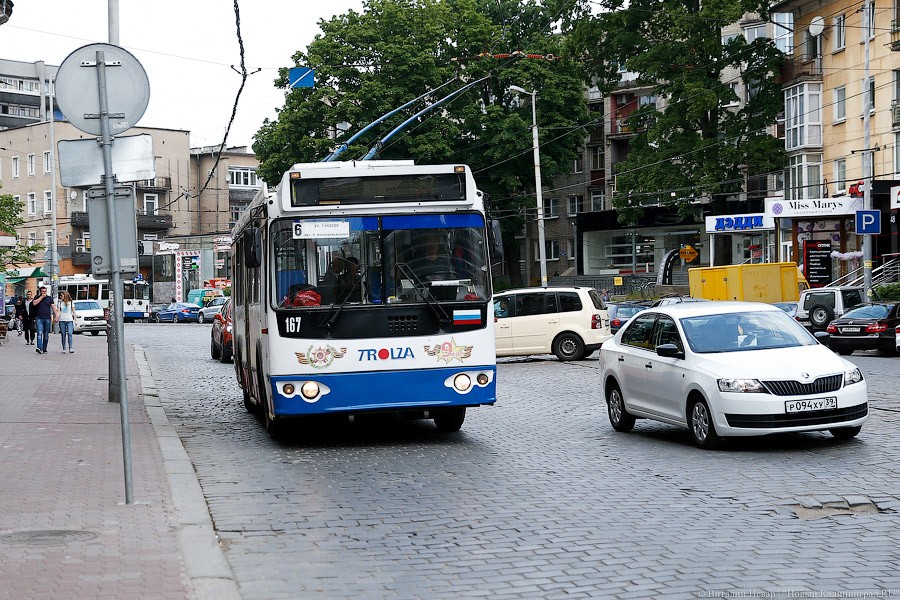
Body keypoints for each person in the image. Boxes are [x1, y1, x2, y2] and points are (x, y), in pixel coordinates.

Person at [31, 285, 59, 355]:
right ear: (40, 291)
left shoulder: (49, 298)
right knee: (39, 333)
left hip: (47, 318)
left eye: (45, 291)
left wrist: (56, 316)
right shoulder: (37, 297)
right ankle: (39, 348)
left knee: (46, 335)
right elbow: (34, 303)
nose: (44, 293)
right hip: (39, 318)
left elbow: (53, 307)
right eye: (43, 291)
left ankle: (44, 348)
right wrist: (41, 297)